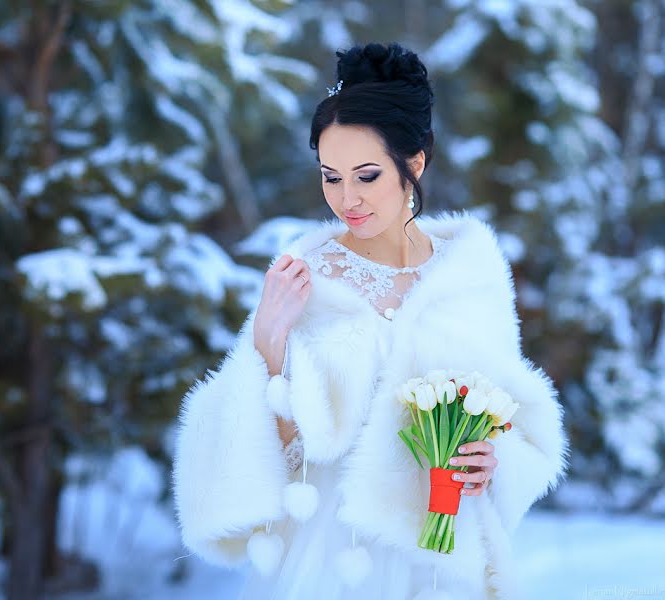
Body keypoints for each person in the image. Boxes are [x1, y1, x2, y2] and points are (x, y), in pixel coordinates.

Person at [171, 42, 569, 600]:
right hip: (332, 556)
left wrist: (492, 462)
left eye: (366, 175)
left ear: (415, 164)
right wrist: (268, 347)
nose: (347, 199)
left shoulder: (473, 280)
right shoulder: (305, 279)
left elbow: (514, 418)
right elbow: (274, 453)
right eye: (330, 177)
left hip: (440, 552)